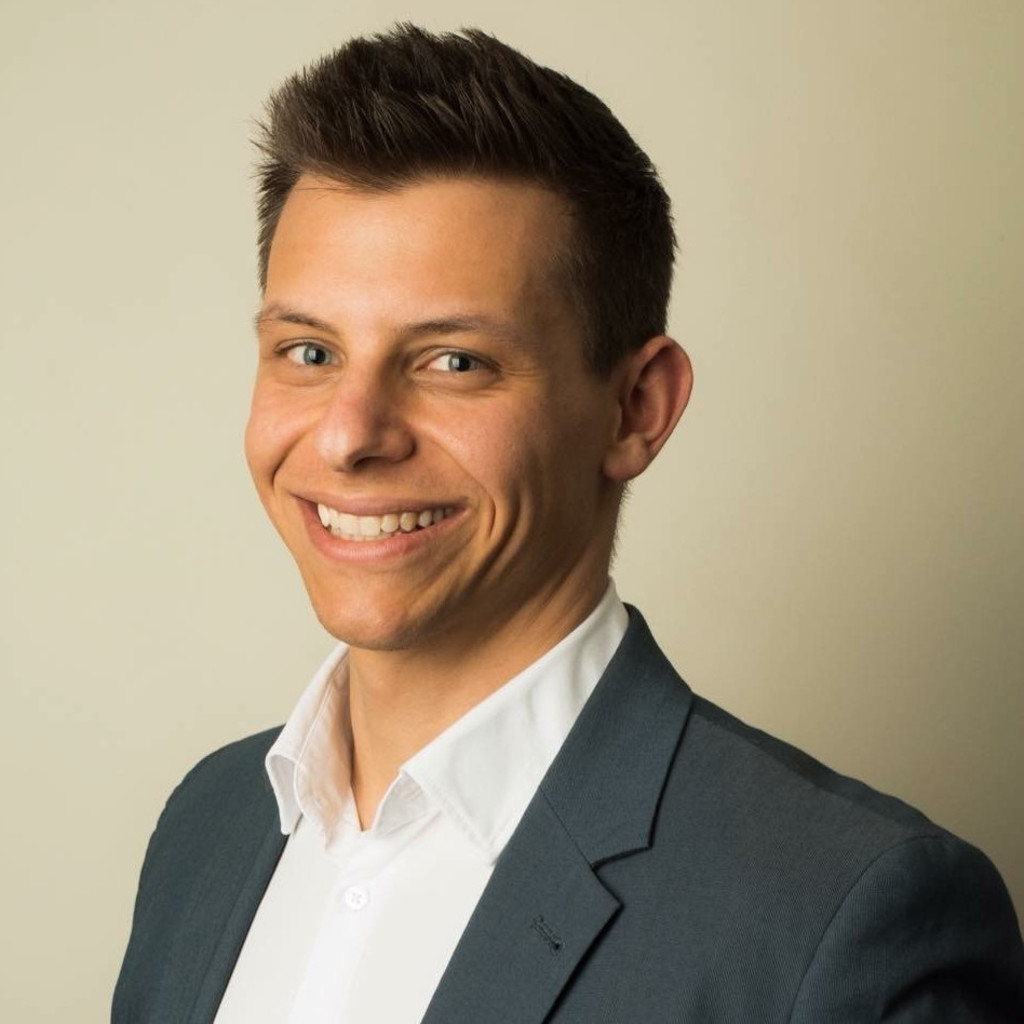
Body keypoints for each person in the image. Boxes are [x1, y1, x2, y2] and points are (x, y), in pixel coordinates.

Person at [113, 24, 1024, 1023]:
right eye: (309, 352)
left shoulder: (845, 917)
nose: (348, 435)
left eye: (453, 361)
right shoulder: (207, 827)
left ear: (635, 410)